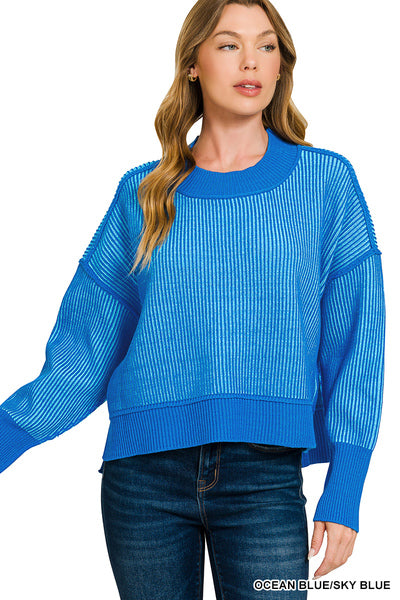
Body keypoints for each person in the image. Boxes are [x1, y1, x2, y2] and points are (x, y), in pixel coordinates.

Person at [0, 1, 386, 598]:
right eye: (229, 44)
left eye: (266, 46)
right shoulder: (142, 193)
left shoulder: (325, 183)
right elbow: (87, 349)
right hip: (142, 478)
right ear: (192, 64)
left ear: (281, 65)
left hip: (264, 475)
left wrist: (346, 486)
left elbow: (357, 344)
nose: (251, 61)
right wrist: (7, 436)